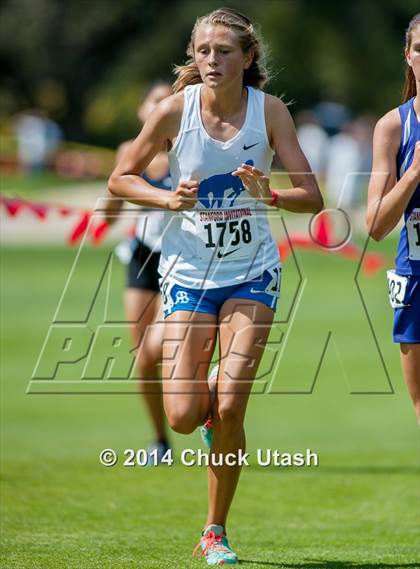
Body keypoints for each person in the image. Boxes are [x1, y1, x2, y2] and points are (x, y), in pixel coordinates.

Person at [109, 7, 323, 565]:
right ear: (193, 56)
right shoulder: (172, 111)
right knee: (184, 416)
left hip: (253, 273)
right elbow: (120, 177)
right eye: (203, 50)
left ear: (248, 58)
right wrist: (165, 199)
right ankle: (205, 419)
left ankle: (214, 532)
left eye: (224, 51)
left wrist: (267, 195)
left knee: (230, 406)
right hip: (187, 276)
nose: (211, 60)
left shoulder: (269, 112)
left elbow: (312, 196)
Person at [102, 82, 173, 462]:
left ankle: (197, 412)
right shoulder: (130, 153)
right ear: (142, 110)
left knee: (155, 351)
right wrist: (118, 183)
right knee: (142, 358)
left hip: (181, 257)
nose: (162, 106)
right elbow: (111, 214)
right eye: (155, 101)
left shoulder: (186, 148)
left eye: (168, 101)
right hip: (142, 255)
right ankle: (159, 439)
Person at [366, 13, 420, 424]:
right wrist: (415, 172)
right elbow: (376, 226)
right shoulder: (393, 127)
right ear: (408, 56)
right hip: (415, 275)